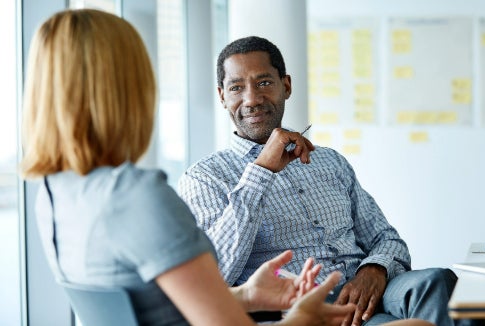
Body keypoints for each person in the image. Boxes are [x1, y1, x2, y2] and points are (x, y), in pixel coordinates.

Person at [20, 9, 360, 326]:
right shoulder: (138, 196)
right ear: (127, 90)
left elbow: (153, 309)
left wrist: (246, 295)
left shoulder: (54, 195)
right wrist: (302, 318)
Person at [177, 35, 458, 326]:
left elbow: (386, 238)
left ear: (286, 86)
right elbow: (216, 274)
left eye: (263, 83)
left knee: (435, 281)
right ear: (222, 96)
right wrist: (261, 171)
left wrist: (375, 269)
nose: (252, 99)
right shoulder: (204, 178)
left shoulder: (329, 161)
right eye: (237, 88)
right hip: (304, 309)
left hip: (370, 289)